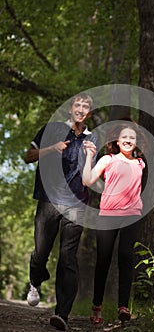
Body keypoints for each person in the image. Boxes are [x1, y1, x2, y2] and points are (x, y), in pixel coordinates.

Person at [24, 93, 98, 331]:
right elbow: (28, 157)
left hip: (77, 203)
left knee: (68, 258)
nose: (81, 109)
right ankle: (36, 280)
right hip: (48, 200)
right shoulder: (52, 130)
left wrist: (91, 158)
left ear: (89, 113)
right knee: (40, 253)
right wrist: (51, 148)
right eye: (78, 105)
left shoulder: (92, 138)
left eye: (86, 106)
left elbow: (90, 180)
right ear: (70, 109)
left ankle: (62, 314)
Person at [82, 121, 146, 325]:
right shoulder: (107, 159)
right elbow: (87, 180)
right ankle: (97, 306)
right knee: (103, 260)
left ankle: (123, 307)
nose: (128, 141)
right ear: (117, 141)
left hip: (132, 214)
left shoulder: (140, 163)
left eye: (132, 138)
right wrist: (90, 157)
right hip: (108, 215)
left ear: (136, 143)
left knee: (126, 256)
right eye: (124, 137)